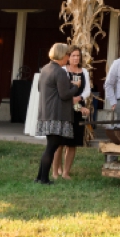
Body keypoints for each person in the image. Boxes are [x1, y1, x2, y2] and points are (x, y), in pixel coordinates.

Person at [35, 43, 87, 184]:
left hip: (46, 113)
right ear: (63, 55)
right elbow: (64, 95)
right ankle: (44, 179)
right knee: (52, 148)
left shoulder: (45, 69)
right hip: (57, 115)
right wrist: (75, 87)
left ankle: (39, 177)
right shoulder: (60, 71)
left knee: (49, 147)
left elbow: (41, 88)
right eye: (68, 55)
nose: (69, 57)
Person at [52, 47, 91, 180]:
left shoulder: (84, 71)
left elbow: (87, 90)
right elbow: (61, 89)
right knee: (60, 142)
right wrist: (71, 99)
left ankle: (66, 172)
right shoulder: (63, 70)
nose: (76, 58)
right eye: (73, 56)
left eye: (78, 56)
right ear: (68, 57)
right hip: (65, 107)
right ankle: (55, 171)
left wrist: (79, 98)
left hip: (79, 106)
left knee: (73, 142)